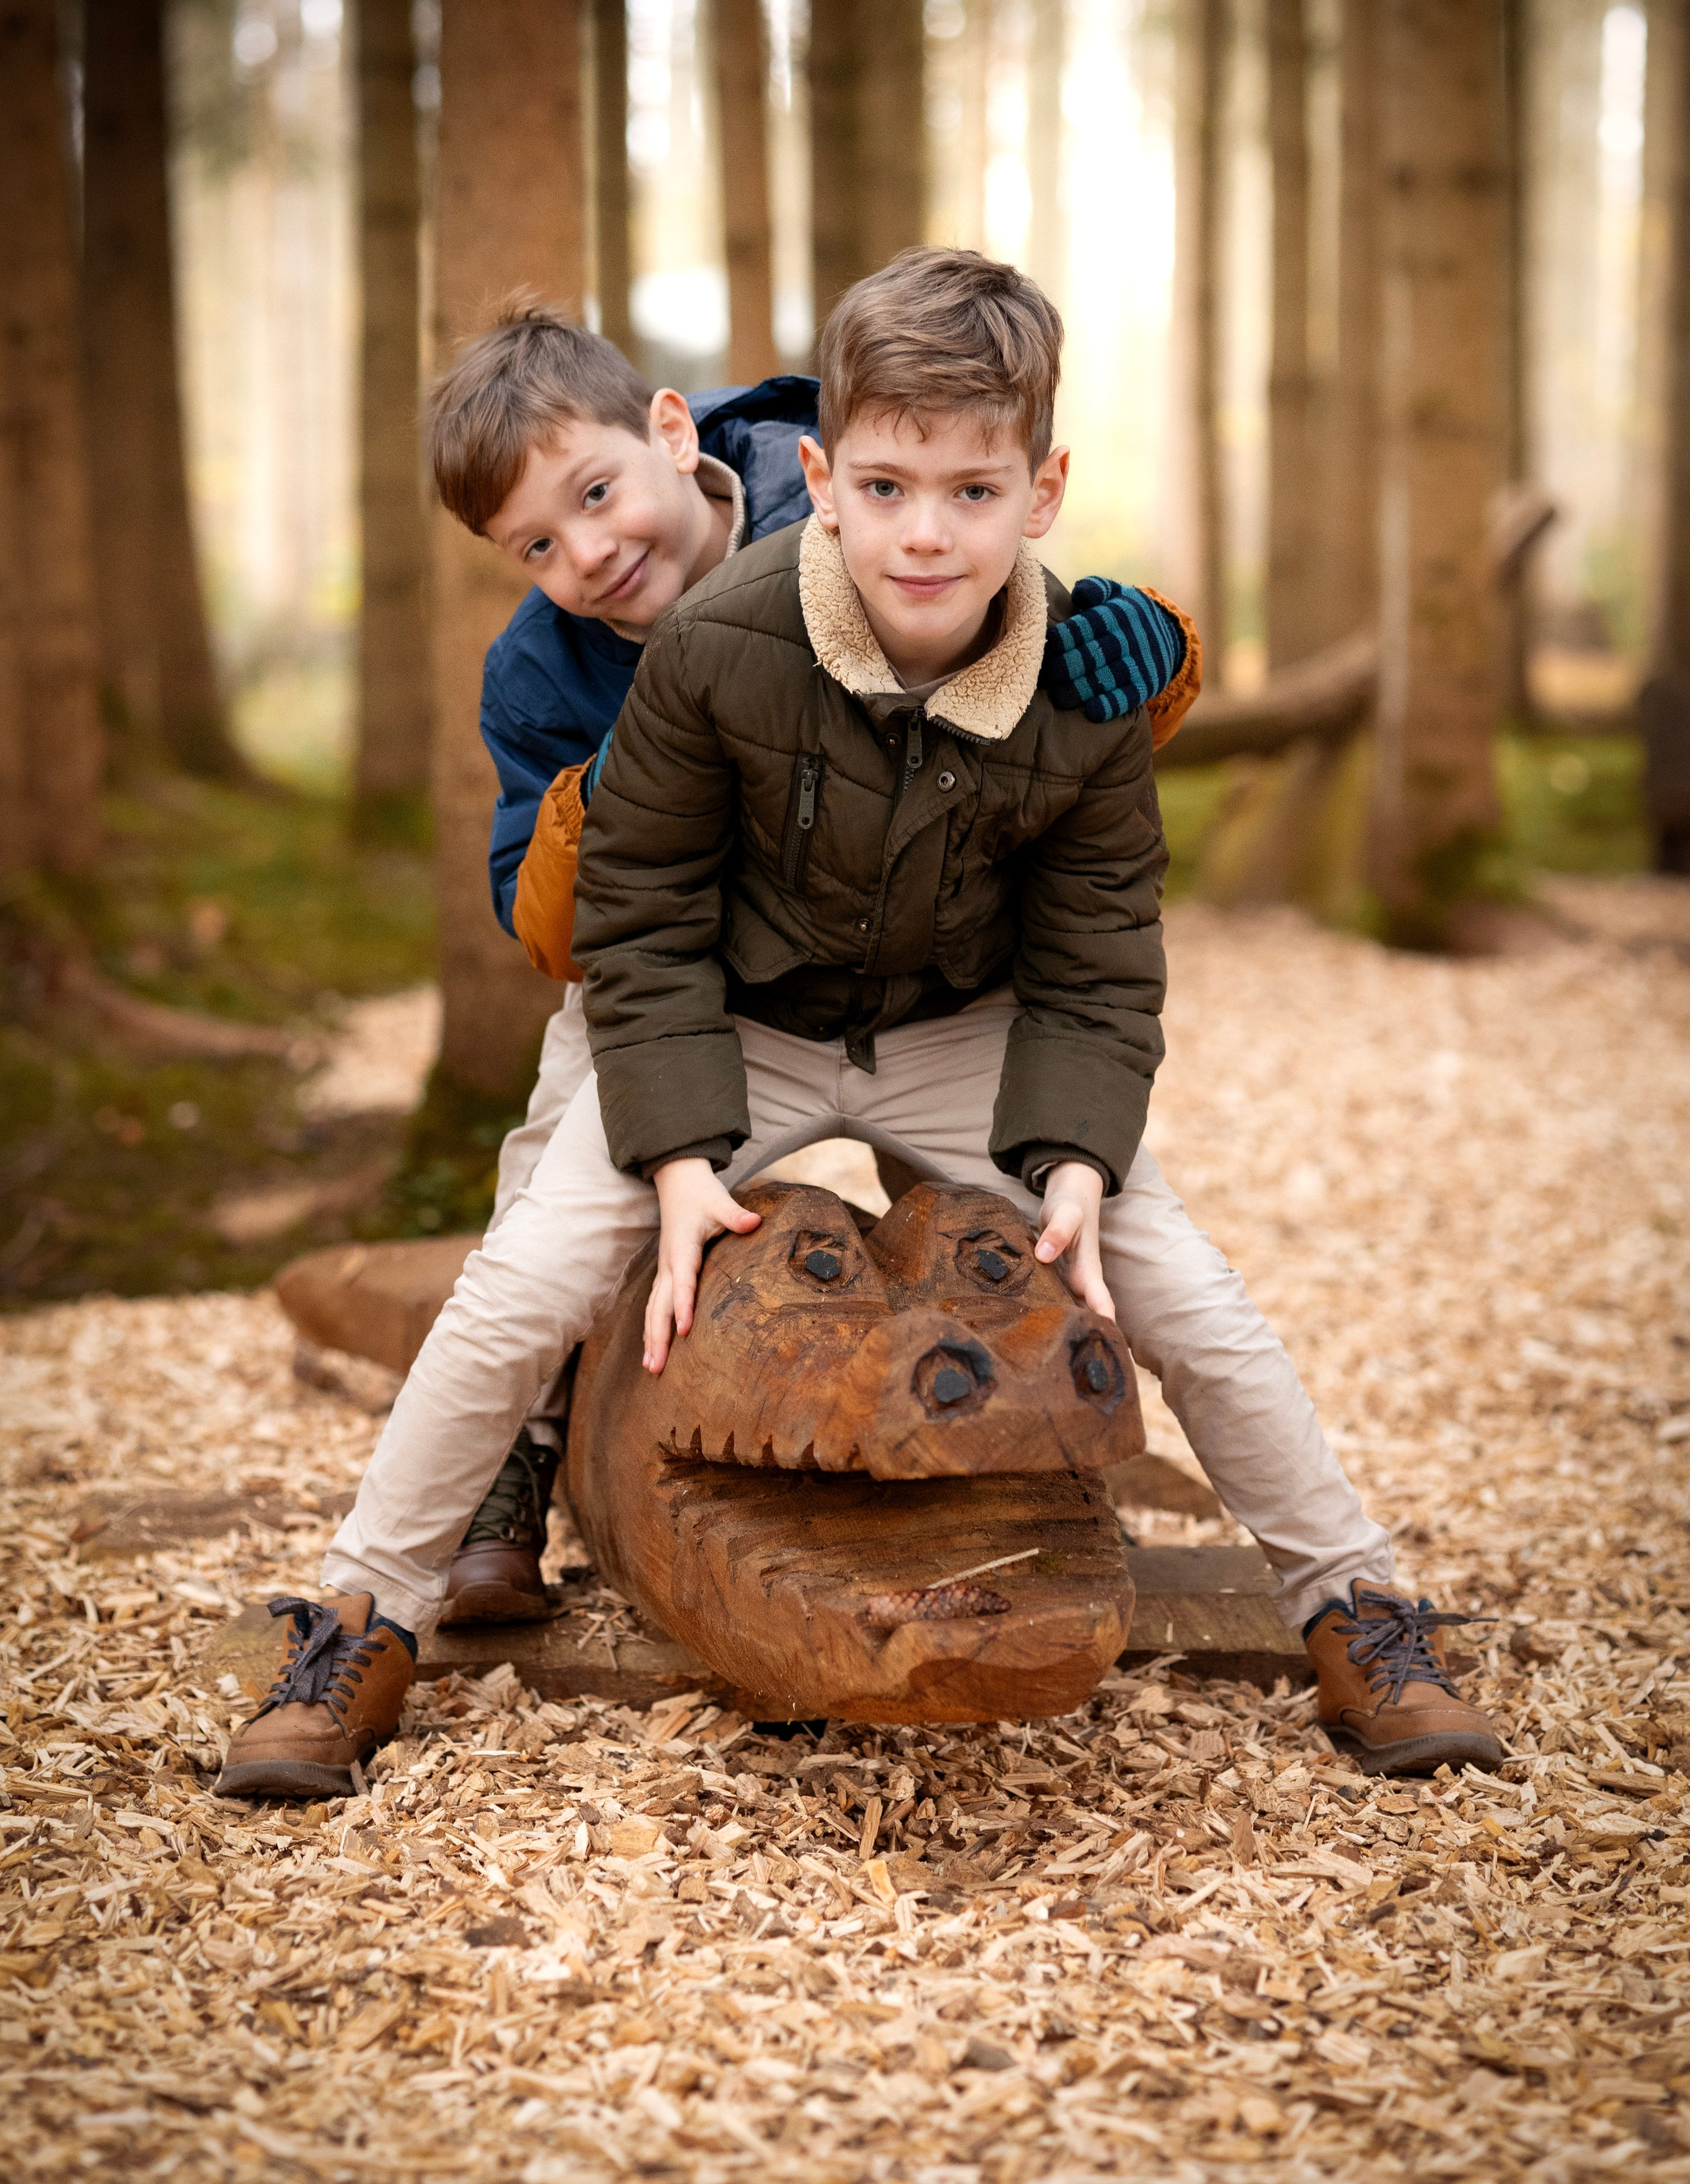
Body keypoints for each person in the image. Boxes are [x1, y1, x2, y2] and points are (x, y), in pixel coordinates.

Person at [217, 252, 1500, 1803]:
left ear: (1040, 493)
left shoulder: (1070, 672)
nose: (923, 531)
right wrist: (681, 1154)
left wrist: (1079, 1155)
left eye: (971, 492)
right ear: (820, 482)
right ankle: (365, 1613)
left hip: (955, 1021)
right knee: (527, 1276)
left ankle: (1356, 1603)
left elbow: (1099, 947)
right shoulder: (700, 643)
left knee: (1180, 1282)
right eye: (884, 487)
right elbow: (628, 913)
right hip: (727, 1019)